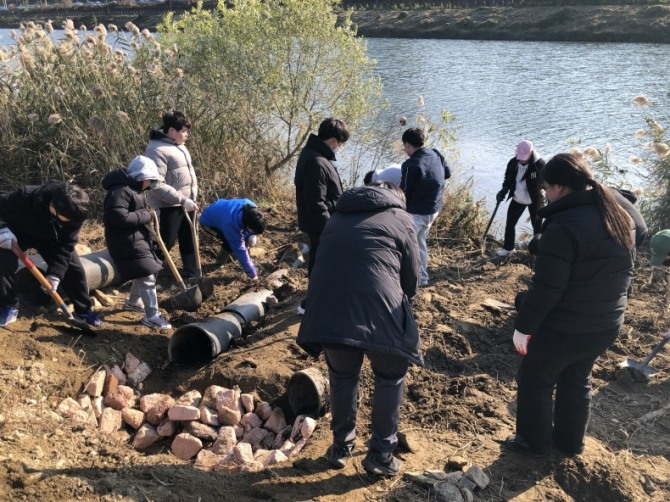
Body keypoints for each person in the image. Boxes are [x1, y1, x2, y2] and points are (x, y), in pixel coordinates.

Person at [509, 153, 634, 457]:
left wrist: (523, 328)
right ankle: (569, 443)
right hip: (606, 323)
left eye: (546, 188)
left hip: (567, 326)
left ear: (560, 187)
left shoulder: (563, 226)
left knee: (535, 379)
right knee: (577, 379)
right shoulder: (618, 215)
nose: (544, 194)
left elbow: (547, 289)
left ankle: (531, 443)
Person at [297, 182, 421, 477]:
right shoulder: (401, 218)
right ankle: (381, 453)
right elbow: (412, 278)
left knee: (342, 377)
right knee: (390, 378)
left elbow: (319, 265)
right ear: (396, 199)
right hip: (379, 312)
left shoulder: (335, 218)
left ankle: (341, 445)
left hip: (329, 314)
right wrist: (403, 306)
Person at [0, 182, 102, 327]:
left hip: (52, 240)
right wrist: (2, 229)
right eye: (65, 219)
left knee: (73, 268)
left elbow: (66, 246)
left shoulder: (75, 214)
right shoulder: (26, 196)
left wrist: (55, 274)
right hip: (16, 234)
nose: (69, 223)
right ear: (53, 207)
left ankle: (83, 311)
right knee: (3, 261)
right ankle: (7, 306)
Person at [102, 156, 171, 329]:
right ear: (141, 176)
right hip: (125, 242)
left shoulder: (131, 190)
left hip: (136, 239)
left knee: (146, 270)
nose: (149, 184)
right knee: (147, 274)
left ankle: (133, 302)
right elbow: (119, 217)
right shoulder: (120, 192)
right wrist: (147, 215)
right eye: (149, 180)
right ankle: (152, 316)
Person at [294, 117, 350, 313]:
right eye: (341, 143)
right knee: (320, 264)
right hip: (320, 226)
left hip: (320, 224)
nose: (340, 148)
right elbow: (316, 203)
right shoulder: (317, 162)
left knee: (319, 262)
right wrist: (329, 229)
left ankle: (315, 300)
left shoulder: (315, 155)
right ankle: (310, 304)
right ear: (333, 141)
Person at [143, 110, 199, 281]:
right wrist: (182, 199)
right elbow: (156, 184)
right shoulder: (156, 150)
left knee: (189, 238)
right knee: (165, 242)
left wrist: (190, 199)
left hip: (187, 202)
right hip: (167, 206)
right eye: (183, 131)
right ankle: (148, 279)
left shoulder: (179, 146)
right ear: (171, 131)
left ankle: (193, 275)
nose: (186, 135)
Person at [400, 128, 448, 286]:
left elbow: (403, 192)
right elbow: (447, 173)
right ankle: (423, 278)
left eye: (404, 146)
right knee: (420, 242)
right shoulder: (435, 154)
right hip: (434, 209)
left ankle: (409, 279)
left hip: (417, 212)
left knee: (407, 246)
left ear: (407, 144)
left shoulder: (411, 164)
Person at [495, 140, 546, 257]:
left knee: (537, 228)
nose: (522, 159)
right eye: (520, 156)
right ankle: (508, 249)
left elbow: (547, 183)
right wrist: (504, 190)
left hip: (535, 200)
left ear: (531, 152)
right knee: (510, 224)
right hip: (517, 198)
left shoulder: (540, 164)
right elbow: (507, 179)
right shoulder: (513, 163)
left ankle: (538, 254)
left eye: (525, 157)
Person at [199, 199, 266, 280]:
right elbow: (240, 249)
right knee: (229, 243)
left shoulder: (251, 207)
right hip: (208, 221)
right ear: (247, 226)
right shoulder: (231, 226)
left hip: (221, 213)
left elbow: (245, 231)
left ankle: (234, 256)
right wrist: (253, 274)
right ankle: (218, 264)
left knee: (240, 241)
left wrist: (251, 235)